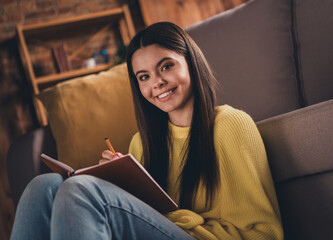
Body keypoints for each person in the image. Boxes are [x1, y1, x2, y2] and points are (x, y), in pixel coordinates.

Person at [11, 22, 283, 240]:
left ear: (191, 63)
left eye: (166, 66)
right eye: (144, 77)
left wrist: (174, 217)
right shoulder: (141, 143)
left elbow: (264, 233)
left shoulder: (230, 125)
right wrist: (121, 187)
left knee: (81, 190)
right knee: (43, 185)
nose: (157, 83)